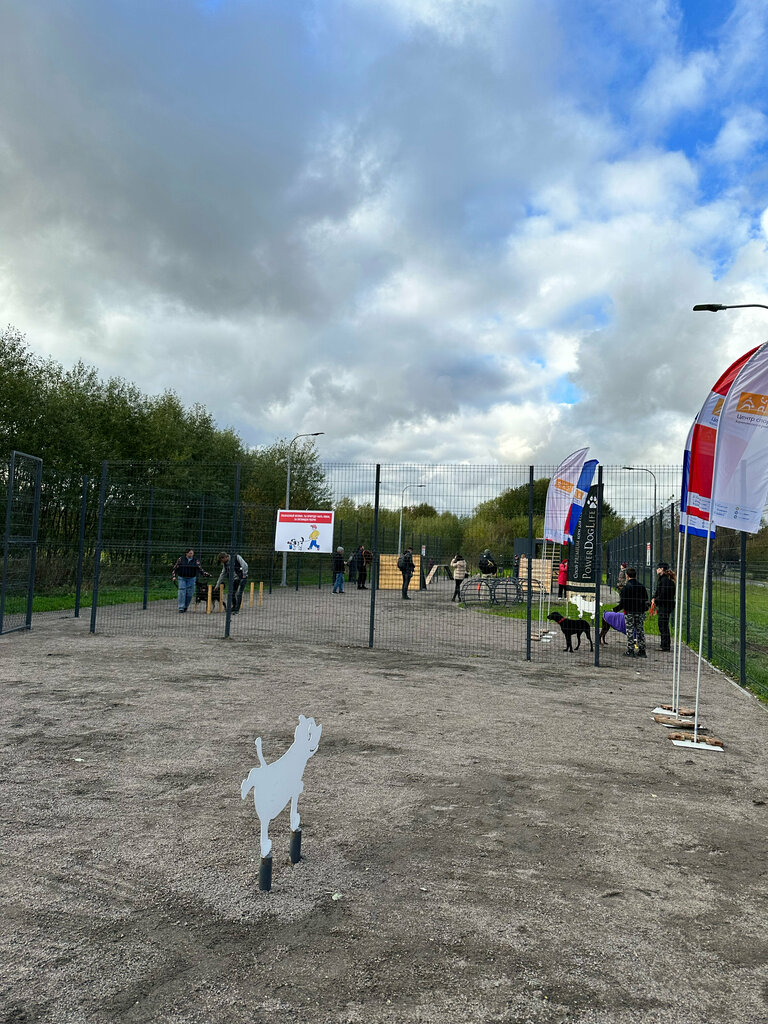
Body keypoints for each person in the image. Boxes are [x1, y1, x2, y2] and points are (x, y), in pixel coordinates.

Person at [613, 566, 650, 658]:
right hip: (640, 611)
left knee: (630, 630)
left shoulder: (626, 588)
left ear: (627, 575)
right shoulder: (641, 586)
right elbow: (646, 599)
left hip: (629, 612)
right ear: (635, 575)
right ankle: (642, 650)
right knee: (640, 630)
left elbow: (623, 602)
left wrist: (615, 609)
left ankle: (631, 650)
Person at [171, 548, 209, 613]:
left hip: (192, 578)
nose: (191, 554)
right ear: (186, 553)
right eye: (190, 553)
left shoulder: (196, 560)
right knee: (182, 591)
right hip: (182, 577)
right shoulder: (181, 559)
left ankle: (185, 606)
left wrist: (205, 574)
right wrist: (174, 576)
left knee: (190, 593)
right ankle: (181, 607)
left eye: (192, 553)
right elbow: (175, 568)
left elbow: (200, 569)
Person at [651, 561, 676, 652]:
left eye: (658, 568)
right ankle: (664, 645)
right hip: (664, 605)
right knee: (662, 624)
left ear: (661, 569)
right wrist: (654, 598)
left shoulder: (665, 580)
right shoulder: (663, 579)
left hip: (666, 605)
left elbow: (663, 593)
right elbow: (659, 591)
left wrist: (656, 600)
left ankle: (665, 646)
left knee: (663, 625)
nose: (656, 570)